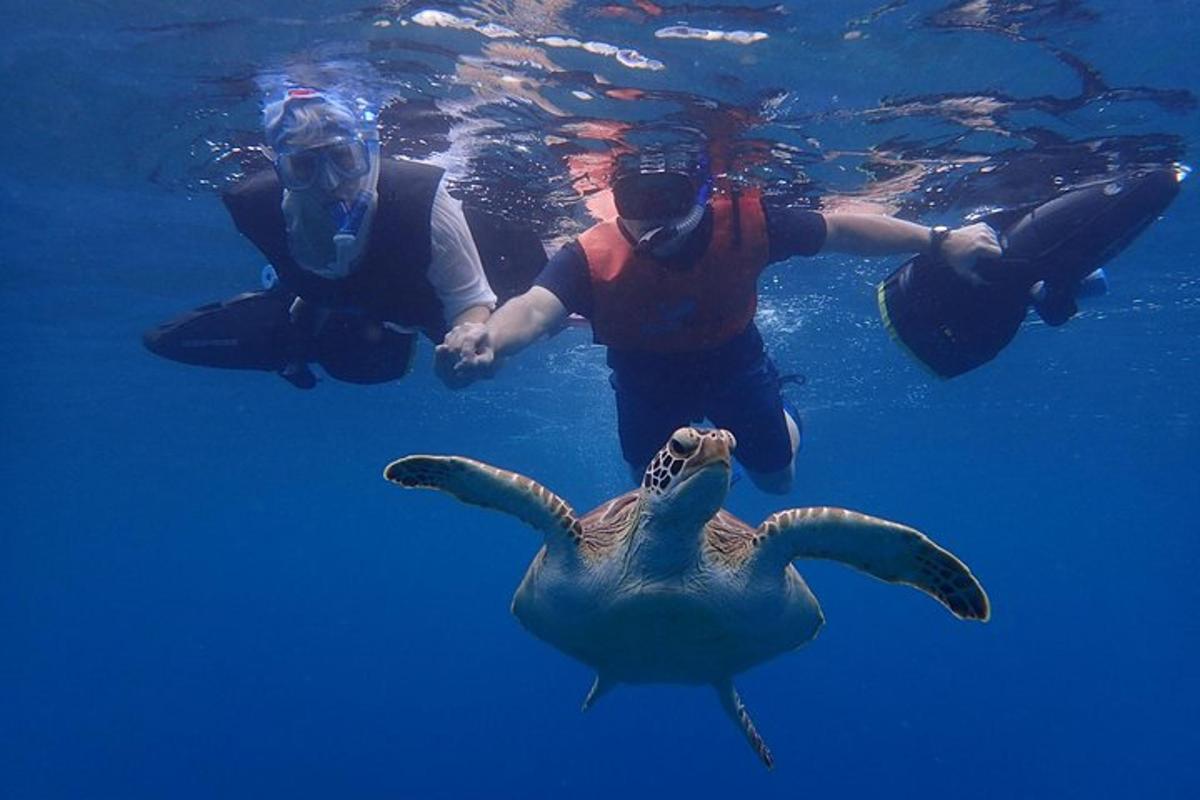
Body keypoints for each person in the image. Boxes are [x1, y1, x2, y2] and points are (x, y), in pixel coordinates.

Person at [435, 150, 1001, 494]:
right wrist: (492, 341)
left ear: (702, 191)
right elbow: (535, 307)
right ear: (615, 194)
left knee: (777, 483)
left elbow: (842, 230)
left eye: (669, 194)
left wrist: (939, 240)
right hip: (645, 380)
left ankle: (783, 411)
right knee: (654, 490)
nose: (651, 214)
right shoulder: (590, 254)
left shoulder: (747, 224)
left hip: (734, 362)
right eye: (635, 195)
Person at [144, 87, 544, 388]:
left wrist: (472, 340)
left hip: (434, 289)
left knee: (480, 356)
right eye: (303, 167)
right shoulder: (254, 205)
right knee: (356, 363)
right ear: (279, 167)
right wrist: (300, 324)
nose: (330, 183)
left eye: (343, 159)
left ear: (368, 151)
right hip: (359, 303)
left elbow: (469, 300)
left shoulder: (421, 199)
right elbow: (323, 276)